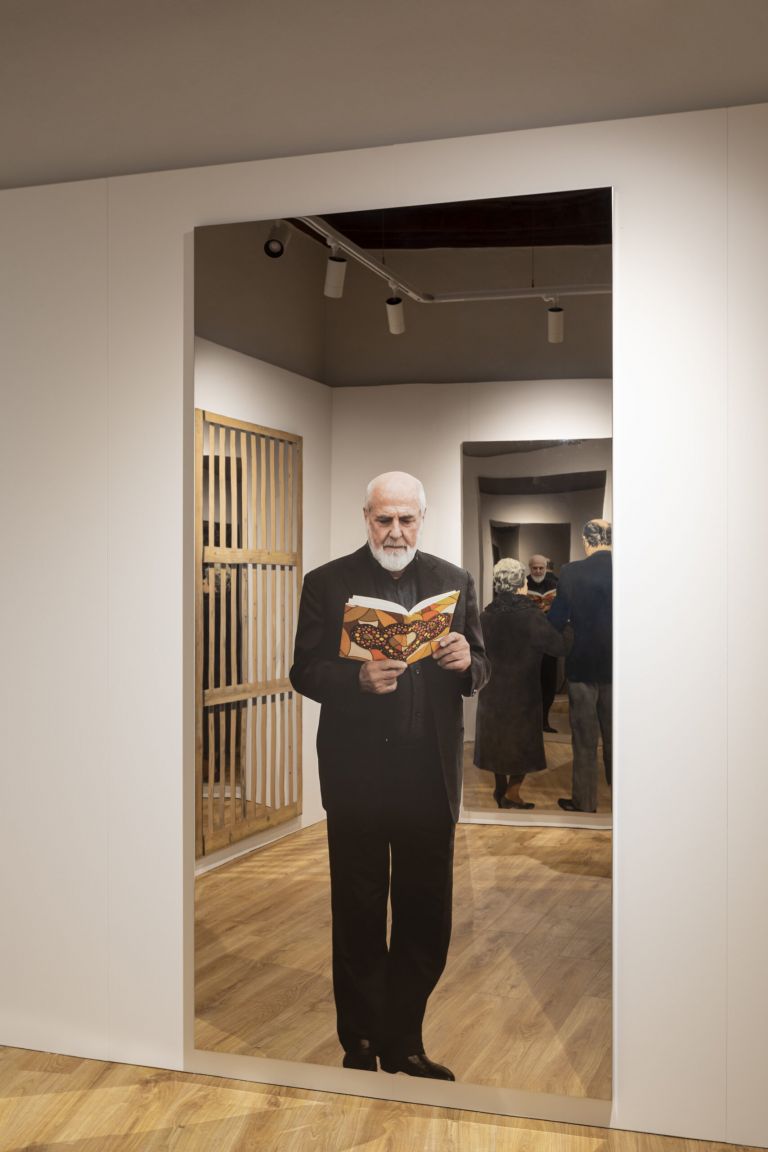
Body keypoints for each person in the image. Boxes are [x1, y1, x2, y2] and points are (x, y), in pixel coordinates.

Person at [289, 471, 489, 1081]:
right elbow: (303, 671)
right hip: (357, 775)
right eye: (384, 519)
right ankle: (362, 1037)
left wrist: (466, 663)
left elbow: (479, 662)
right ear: (366, 518)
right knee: (358, 907)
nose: (395, 531)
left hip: (429, 775)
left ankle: (405, 1039)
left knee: (426, 913)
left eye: (406, 519)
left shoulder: (453, 581)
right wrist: (355, 680)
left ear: (421, 519)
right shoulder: (326, 583)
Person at [474, 558, 566, 809]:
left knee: (497, 743)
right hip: (523, 694)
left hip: (492, 692)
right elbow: (558, 647)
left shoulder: (485, 616)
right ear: (520, 584)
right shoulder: (532, 617)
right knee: (522, 746)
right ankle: (513, 794)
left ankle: (500, 788)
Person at [547, 519, 612, 813]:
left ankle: (585, 802)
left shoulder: (572, 572)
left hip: (582, 665)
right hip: (619, 668)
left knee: (585, 739)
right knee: (617, 737)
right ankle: (623, 800)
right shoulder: (630, 569)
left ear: (586, 541)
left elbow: (557, 620)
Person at [527, 554, 560, 732]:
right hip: (529, 642)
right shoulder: (522, 584)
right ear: (530, 568)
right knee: (531, 683)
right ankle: (531, 721)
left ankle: (544, 722)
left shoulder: (555, 584)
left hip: (549, 639)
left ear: (546, 567)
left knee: (549, 683)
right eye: (535, 568)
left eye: (541, 568)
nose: (538, 571)